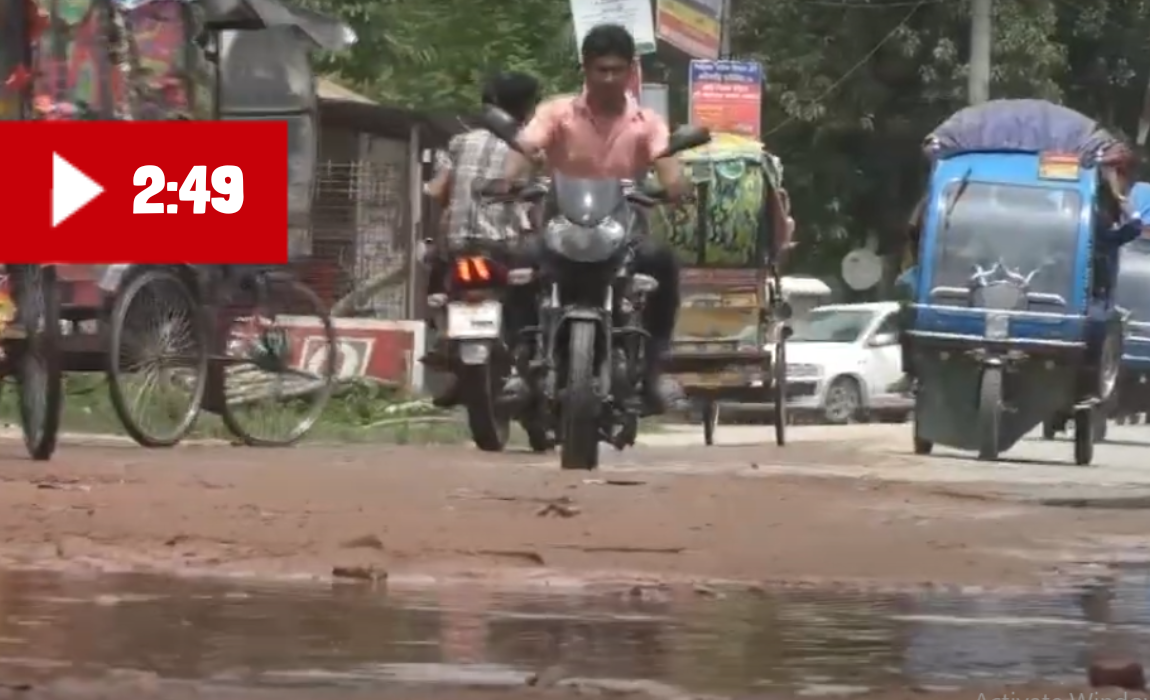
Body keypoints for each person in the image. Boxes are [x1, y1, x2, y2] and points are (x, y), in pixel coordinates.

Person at [500, 23, 692, 414]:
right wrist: (508, 179)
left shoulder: (647, 122)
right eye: (600, 69)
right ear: (585, 69)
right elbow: (527, 145)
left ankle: (654, 370)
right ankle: (519, 361)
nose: (608, 78)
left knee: (663, 263)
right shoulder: (556, 112)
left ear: (630, 72)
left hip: (625, 233)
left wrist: (674, 186)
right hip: (560, 229)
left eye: (616, 69)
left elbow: (666, 161)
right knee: (518, 261)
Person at [424, 71, 541, 408]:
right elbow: (535, 197)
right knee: (536, 286)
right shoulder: (529, 145)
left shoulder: (460, 142)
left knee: (439, 279)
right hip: (503, 245)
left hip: (459, 245)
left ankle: (444, 341)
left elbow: (437, 190)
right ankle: (529, 356)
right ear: (525, 107)